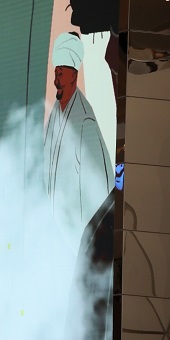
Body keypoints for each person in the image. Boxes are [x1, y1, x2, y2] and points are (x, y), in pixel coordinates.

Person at [45, 32, 112, 251]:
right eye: (55, 73)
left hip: (78, 242)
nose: (56, 80)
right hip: (56, 236)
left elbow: (101, 191)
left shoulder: (85, 122)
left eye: (61, 74)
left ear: (74, 75)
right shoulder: (56, 114)